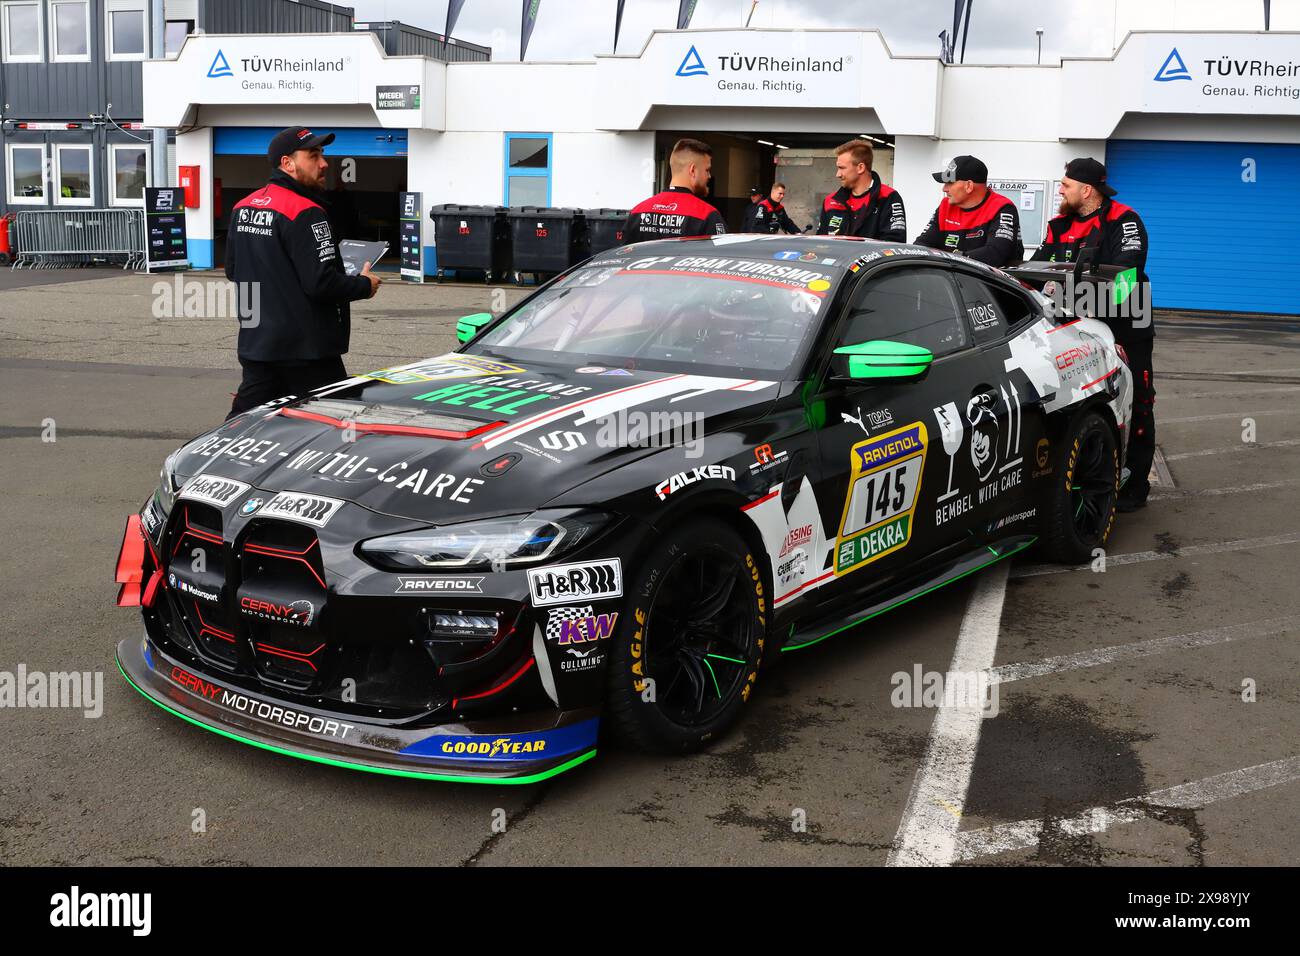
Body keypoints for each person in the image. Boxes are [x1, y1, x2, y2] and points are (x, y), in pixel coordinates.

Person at [224, 126, 381, 419]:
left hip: (257, 344)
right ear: (288, 163)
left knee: (242, 425)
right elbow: (321, 283)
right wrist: (363, 284)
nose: (324, 164)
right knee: (337, 423)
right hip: (306, 352)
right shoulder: (306, 211)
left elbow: (233, 270)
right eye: (314, 156)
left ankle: (208, 461)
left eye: (322, 155)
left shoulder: (242, 208)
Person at [1033, 157, 1154, 512]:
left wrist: (1075, 295)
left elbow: (1127, 277)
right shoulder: (1059, 225)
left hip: (1127, 325)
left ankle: (1136, 486)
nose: (1060, 190)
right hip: (1073, 329)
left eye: (1066, 185)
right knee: (1079, 401)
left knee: (1139, 401)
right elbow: (1038, 271)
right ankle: (1088, 472)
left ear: (1087, 190)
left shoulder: (1124, 220)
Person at [914, 155, 1024, 266]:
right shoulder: (946, 206)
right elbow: (922, 244)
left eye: (950, 182)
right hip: (954, 278)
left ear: (969, 186)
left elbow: (996, 253)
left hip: (992, 281)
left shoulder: (1002, 207)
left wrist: (954, 257)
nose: (944, 188)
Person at [623, 138, 726, 242]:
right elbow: (721, 255)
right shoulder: (707, 215)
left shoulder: (637, 212)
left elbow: (625, 254)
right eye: (707, 170)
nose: (709, 176)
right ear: (693, 170)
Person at [816, 139, 906, 241]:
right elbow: (820, 244)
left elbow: (894, 244)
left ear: (860, 168)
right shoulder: (831, 201)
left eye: (842, 168)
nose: (838, 174)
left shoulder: (888, 197)